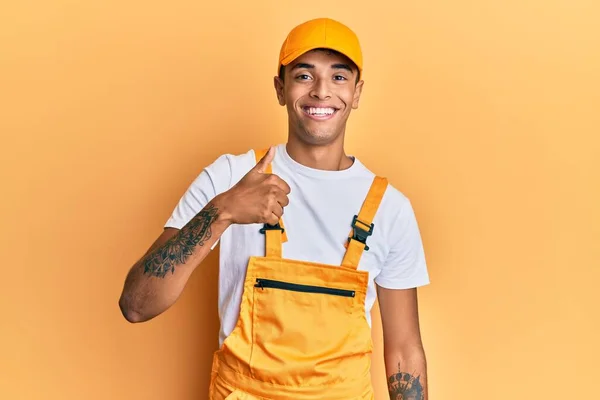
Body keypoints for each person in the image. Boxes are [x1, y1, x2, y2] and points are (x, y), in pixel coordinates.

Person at [119, 17, 430, 400]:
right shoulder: (230, 177)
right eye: (304, 75)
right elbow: (136, 304)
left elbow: (403, 350)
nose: (321, 92)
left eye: (338, 77)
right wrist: (222, 211)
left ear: (357, 91)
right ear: (280, 88)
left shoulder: (389, 209)